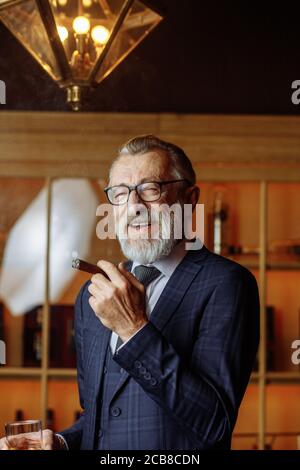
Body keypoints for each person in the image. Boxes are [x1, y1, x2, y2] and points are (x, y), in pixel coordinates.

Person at [0, 135, 260, 450]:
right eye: (120, 194)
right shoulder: (91, 295)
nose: (134, 207)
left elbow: (214, 423)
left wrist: (132, 327)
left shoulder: (227, 283)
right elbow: (100, 417)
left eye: (151, 190)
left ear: (189, 199)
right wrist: (62, 443)